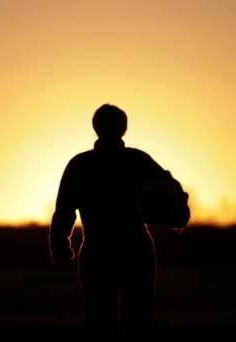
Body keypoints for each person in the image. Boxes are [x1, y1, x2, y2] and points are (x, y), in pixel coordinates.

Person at [48, 103, 187, 341]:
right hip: (136, 251)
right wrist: (178, 214)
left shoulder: (80, 165)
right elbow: (171, 187)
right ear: (124, 128)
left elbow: (64, 211)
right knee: (139, 325)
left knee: (100, 326)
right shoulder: (139, 160)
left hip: (97, 252)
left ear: (96, 127)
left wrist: (60, 245)